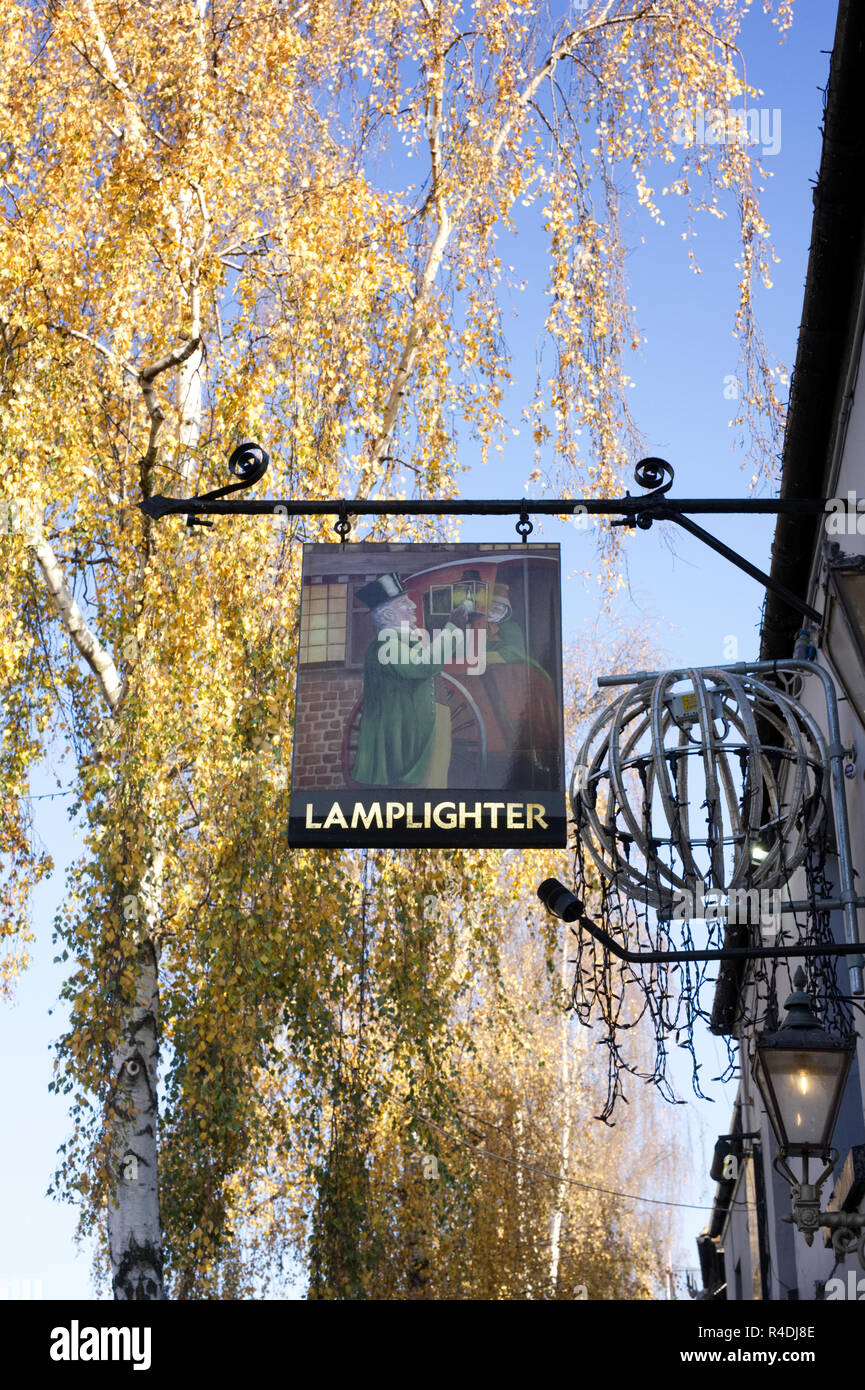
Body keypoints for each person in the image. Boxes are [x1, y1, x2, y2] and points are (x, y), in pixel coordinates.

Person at [350, 573, 455, 787]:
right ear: (388, 615)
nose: (412, 606)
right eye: (403, 603)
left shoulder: (404, 639)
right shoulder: (386, 644)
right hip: (405, 739)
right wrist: (452, 630)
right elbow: (422, 666)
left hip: (423, 729)